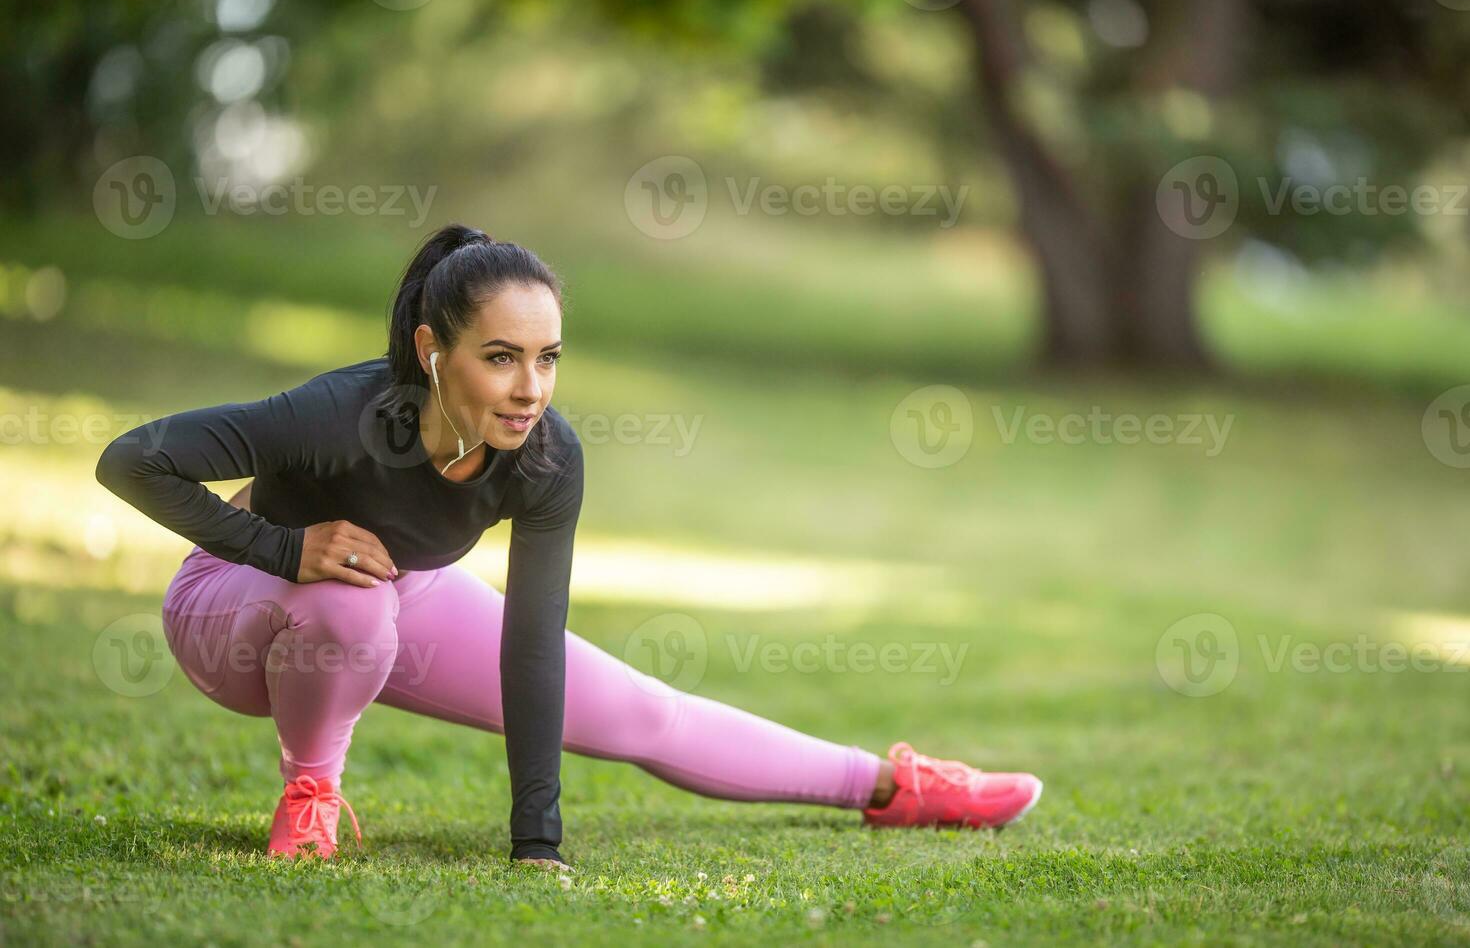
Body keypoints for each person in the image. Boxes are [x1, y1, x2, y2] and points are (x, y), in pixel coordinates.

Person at [94, 224, 1044, 872]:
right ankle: (311, 796)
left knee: (642, 711)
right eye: (500, 357)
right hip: (234, 606)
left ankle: (892, 784)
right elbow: (132, 460)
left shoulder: (545, 458)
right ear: (432, 351)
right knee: (350, 597)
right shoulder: (333, 416)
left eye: (547, 357)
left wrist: (535, 842)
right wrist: (280, 544)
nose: (529, 387)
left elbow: (532, 647)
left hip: (393, 597)